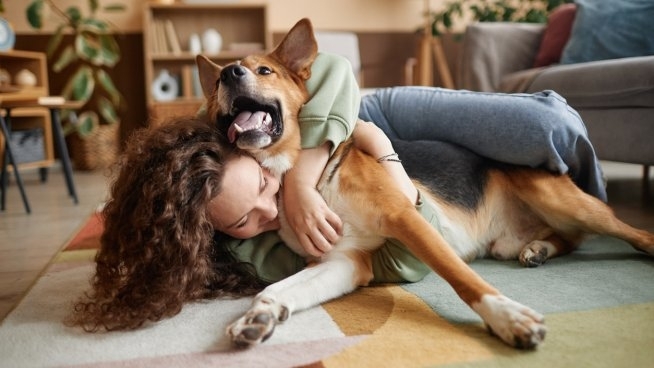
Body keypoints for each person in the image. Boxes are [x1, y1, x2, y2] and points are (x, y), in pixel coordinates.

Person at [68, 53, 607, 332]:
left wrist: (301, 178)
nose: (267, 205)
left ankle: (584, 213)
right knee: (545, 148)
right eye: (241, 221)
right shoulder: (212, 199)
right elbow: (357, 264)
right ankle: (561, 236)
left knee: (551, 129)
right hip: (417, 184)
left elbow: (330, 71)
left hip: (359, 109)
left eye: (261, 187)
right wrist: (274, 298)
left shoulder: (211, 134)